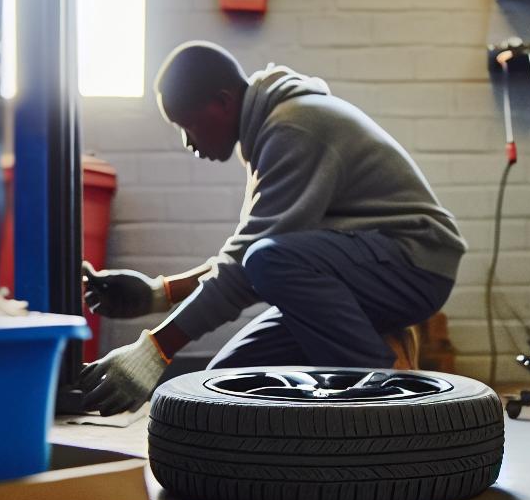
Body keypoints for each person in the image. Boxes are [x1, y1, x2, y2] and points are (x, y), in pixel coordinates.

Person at [78, 41, 465, 414]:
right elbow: (243, 262)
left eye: (189, 125)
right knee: (224, 386)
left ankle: (382, 392)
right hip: (362, 269)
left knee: (266, 260)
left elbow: (251, 266)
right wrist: (155, 295)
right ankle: (366, 360)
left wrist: (154, 350)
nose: (188, 142)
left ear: (224, 101)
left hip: (415, 264)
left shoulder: (294, 128)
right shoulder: (274, 130)